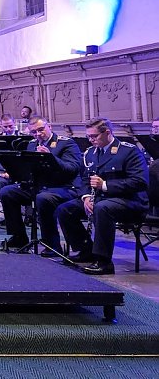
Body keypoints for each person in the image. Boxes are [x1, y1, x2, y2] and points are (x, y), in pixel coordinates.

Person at [56, 118, 149, 275]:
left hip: (130, 201)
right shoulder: (91, 153)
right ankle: (85, 250)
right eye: (89, 137)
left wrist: (105, 185)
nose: (91, 140)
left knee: (102, 208)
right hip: (100, 199)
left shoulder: (128, 151)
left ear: (107, 133)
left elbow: (140, 182)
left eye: (94, 136)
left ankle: (104, 261)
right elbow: (84, 178)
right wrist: (85, 197)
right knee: (65, 209)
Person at [0, 116, 82, 255]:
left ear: (49, 126)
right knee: (7, 192)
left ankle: (52, 244)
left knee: (43, 198)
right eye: (33, 132)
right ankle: (19, 237)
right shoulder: (32, 144)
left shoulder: (66, 143)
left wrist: (51, 157)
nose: (38, 134)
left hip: (63, 187)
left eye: (40, 130)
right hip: (39, 186)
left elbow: (72, 169)